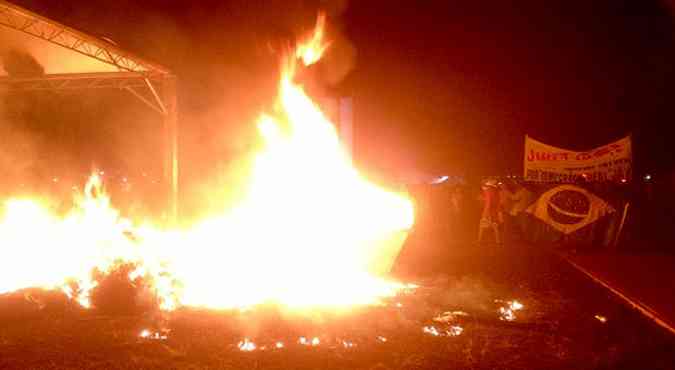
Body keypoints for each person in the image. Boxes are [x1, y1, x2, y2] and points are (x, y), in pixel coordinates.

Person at [477, 179, 502, 245]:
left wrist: (485, 214)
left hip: (489, 212)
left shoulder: (487, 191)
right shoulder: (495, 191)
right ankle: (498, 241)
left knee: (481, 226)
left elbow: (488, 203)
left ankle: (479, 241)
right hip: (494, 211)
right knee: (495, 227)